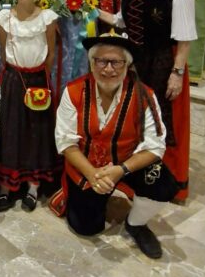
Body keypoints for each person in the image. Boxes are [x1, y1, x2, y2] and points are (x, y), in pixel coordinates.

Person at [55, 34, 177, 259]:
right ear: (91, 63)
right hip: (87, 168)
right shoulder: (73, 91)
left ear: (127, 65)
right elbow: (66, 143)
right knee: (86, 228)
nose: (108, 69)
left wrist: (121, 170)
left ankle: (136, 224)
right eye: (101, 61)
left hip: (126, 163)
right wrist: (92, 174)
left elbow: (155, 146)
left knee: (164, 185)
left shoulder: (144, 95)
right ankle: (90, 197)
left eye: (116, 62)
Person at [99, 0, 197, 200]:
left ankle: (167, 183)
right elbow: (120, 20)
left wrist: (177, 72)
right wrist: (87, 7)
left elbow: (185, 32)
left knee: (163, 122)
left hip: (166, 61)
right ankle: (137, 177)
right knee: (138, 120)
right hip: (136, 63)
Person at [0, 0, 59, 210]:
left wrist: (40, 79)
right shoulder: (3, 18)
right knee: (11, 130)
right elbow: (3, 52)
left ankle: (33, 185)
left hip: (38, 80)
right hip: (13, 79)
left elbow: (51, 53)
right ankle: (5, 187)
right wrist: (16, 74)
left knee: (37, 133)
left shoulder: (48, 18)